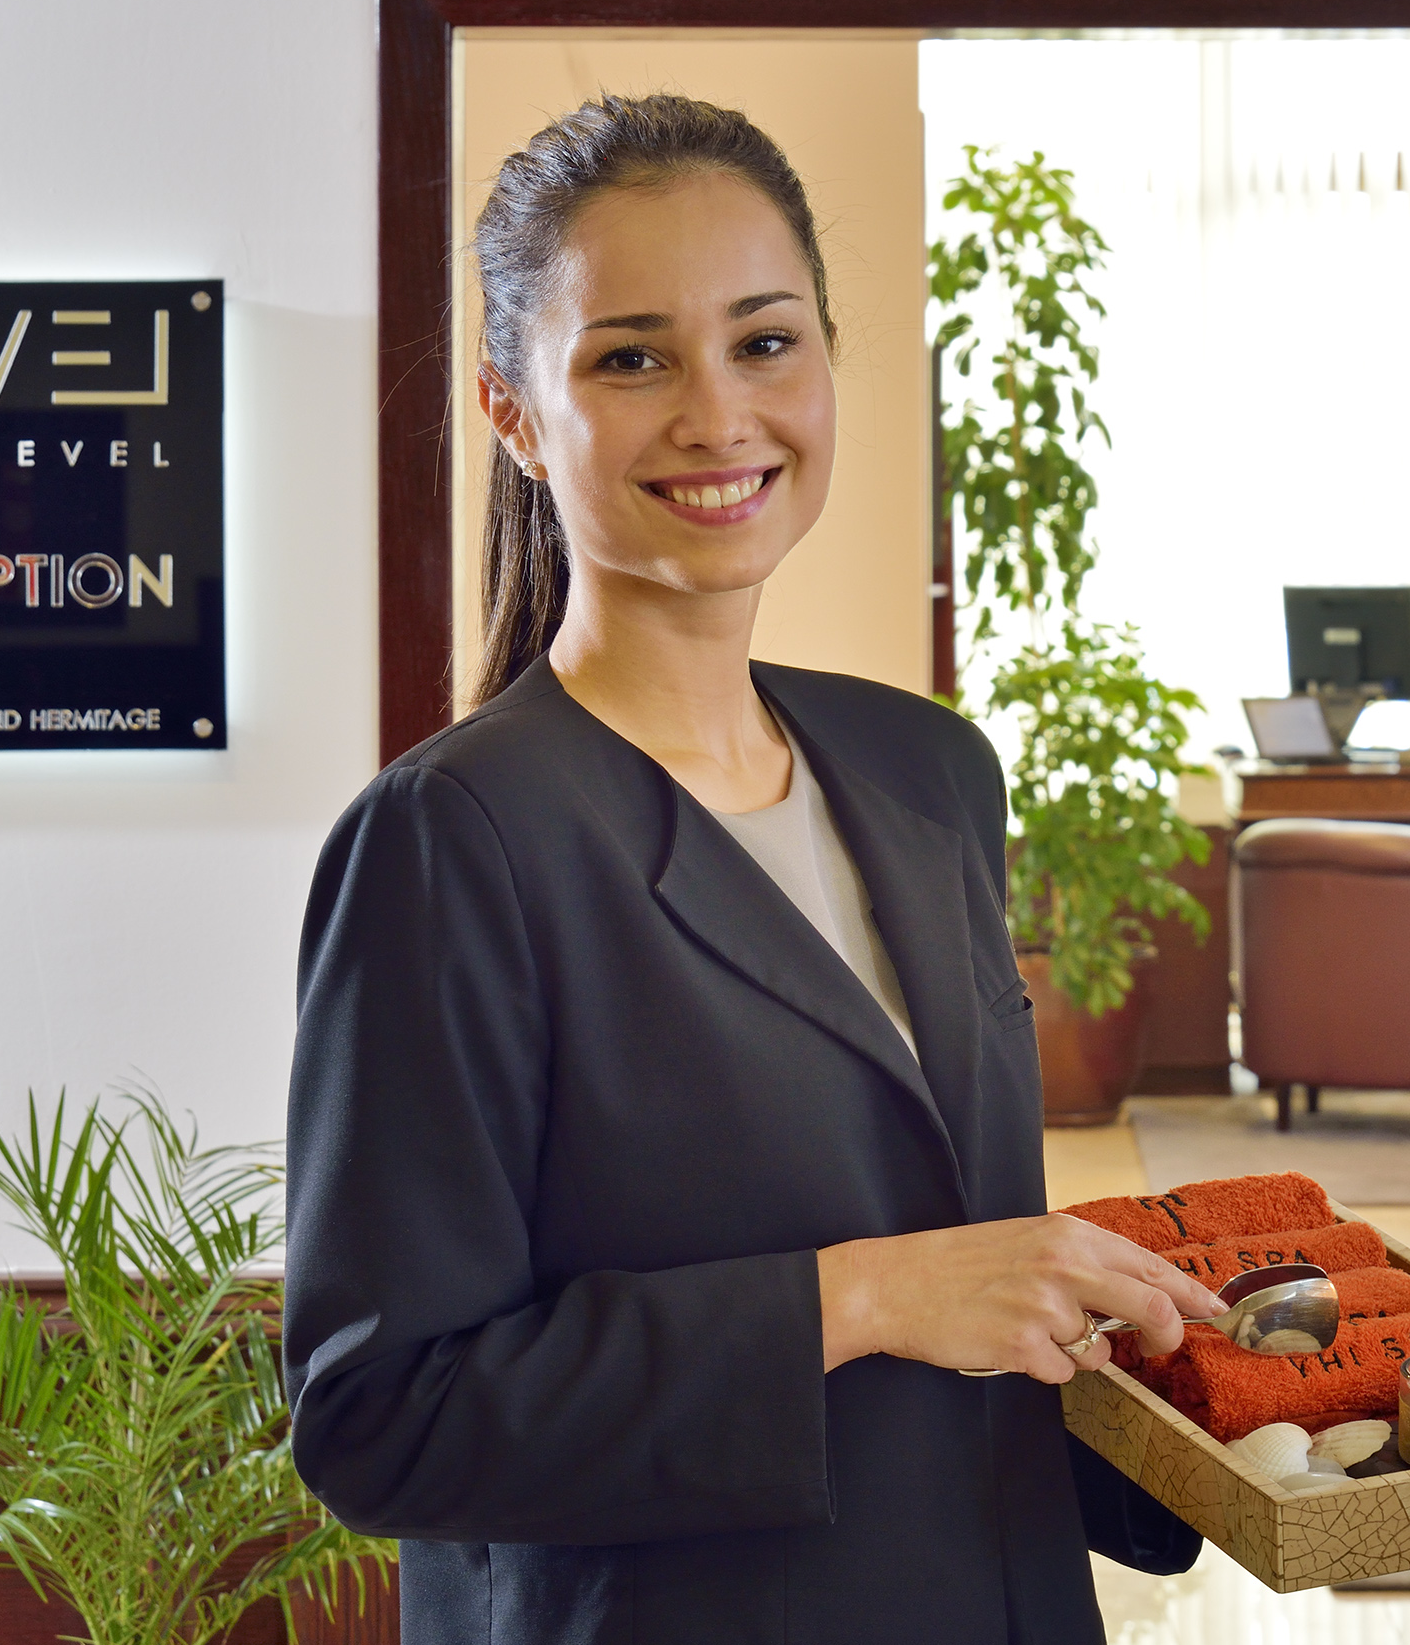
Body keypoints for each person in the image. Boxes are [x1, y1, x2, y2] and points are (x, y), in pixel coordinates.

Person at [282, 94, 1220, 1644]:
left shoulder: (928, 773)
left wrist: (1210, 1361)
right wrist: (858, 1299)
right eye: (633, 357)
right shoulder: (457, 840)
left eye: (766, 342)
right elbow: (387, 1418)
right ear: (514, 413)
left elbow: (977, 1250)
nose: (719, 416)